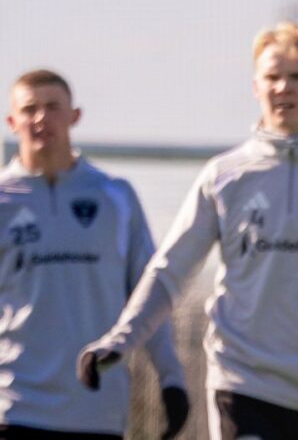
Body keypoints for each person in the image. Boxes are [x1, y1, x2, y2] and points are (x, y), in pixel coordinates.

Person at [78, 22, 298, 440]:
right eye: (272, 77)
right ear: (256, 86)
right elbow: (169, 272)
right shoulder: (224, 175)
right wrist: (121, 338)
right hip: (240, 379)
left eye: (296, 76)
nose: (283, 87)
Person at [0, 69, 188, 439]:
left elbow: (149, 296)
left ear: (74, 116)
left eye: (53, 106)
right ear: (12, 122)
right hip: (15, 406)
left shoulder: (114, 196)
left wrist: (171, 378)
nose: (41, 118)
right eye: (29, 109)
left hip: (97, 411)